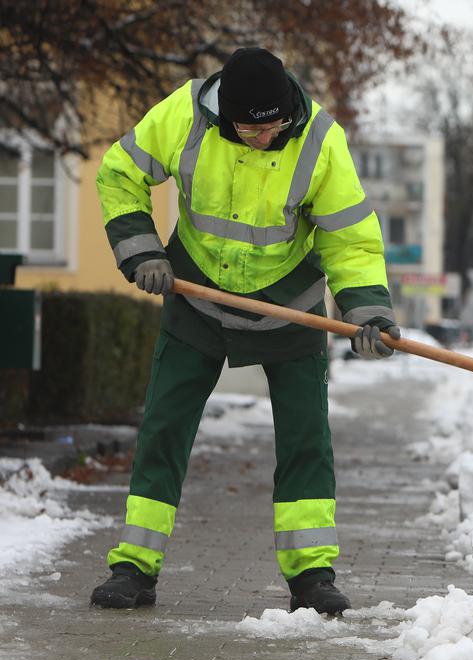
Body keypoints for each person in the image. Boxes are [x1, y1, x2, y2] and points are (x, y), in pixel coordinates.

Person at [90, 47, 399, 615]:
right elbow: (120, 173)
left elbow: (350, 239)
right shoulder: (184, 115)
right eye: (249, 129)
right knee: (163, 429)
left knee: (307, 441)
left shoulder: (320, 141)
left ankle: (312, 575)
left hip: (289, 307)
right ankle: (134, 566)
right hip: (196, 300)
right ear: (222, 115)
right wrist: (141, 251)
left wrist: (366, 311)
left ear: (288, 109)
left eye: (272, 126)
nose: (262, 137)